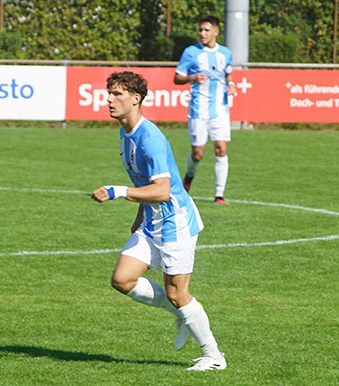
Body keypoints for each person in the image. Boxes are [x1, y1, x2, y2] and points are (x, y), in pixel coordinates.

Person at [91, 71, 226, 371]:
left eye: (117, 94)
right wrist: (139, 215)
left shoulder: (149, 137)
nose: (109, 100)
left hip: (174, 222)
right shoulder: (126, 133)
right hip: (151, 222)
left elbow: (163, 190)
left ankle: (214, 356)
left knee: (179, 293)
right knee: (122, 279)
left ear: (135, 99)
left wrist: (117, 192)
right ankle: (181, 315)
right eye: (109, 93)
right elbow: (143, 181)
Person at [174, 15, 237, 204]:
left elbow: (228, 73)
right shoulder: (191, 53)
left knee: (221, 149)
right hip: (198, 110)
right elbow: (177, 78)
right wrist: (192, 78)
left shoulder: (225, 53)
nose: (202, 33)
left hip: (220, 109)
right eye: (200, 30)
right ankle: (188, 178)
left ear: (216, 32)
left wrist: (231, 84)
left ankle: (219, 195)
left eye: (206, 30)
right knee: (198, 154)